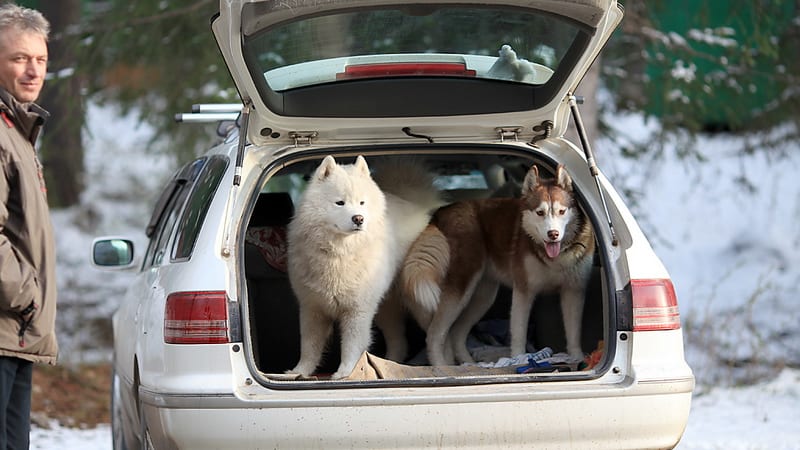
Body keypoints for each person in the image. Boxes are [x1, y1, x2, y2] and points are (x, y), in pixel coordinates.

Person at [0, 4, 57, 449]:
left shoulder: (17, 129)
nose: (33, 70)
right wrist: (27, 296)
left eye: (40, 59)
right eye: (20, 58)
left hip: (15, 329)